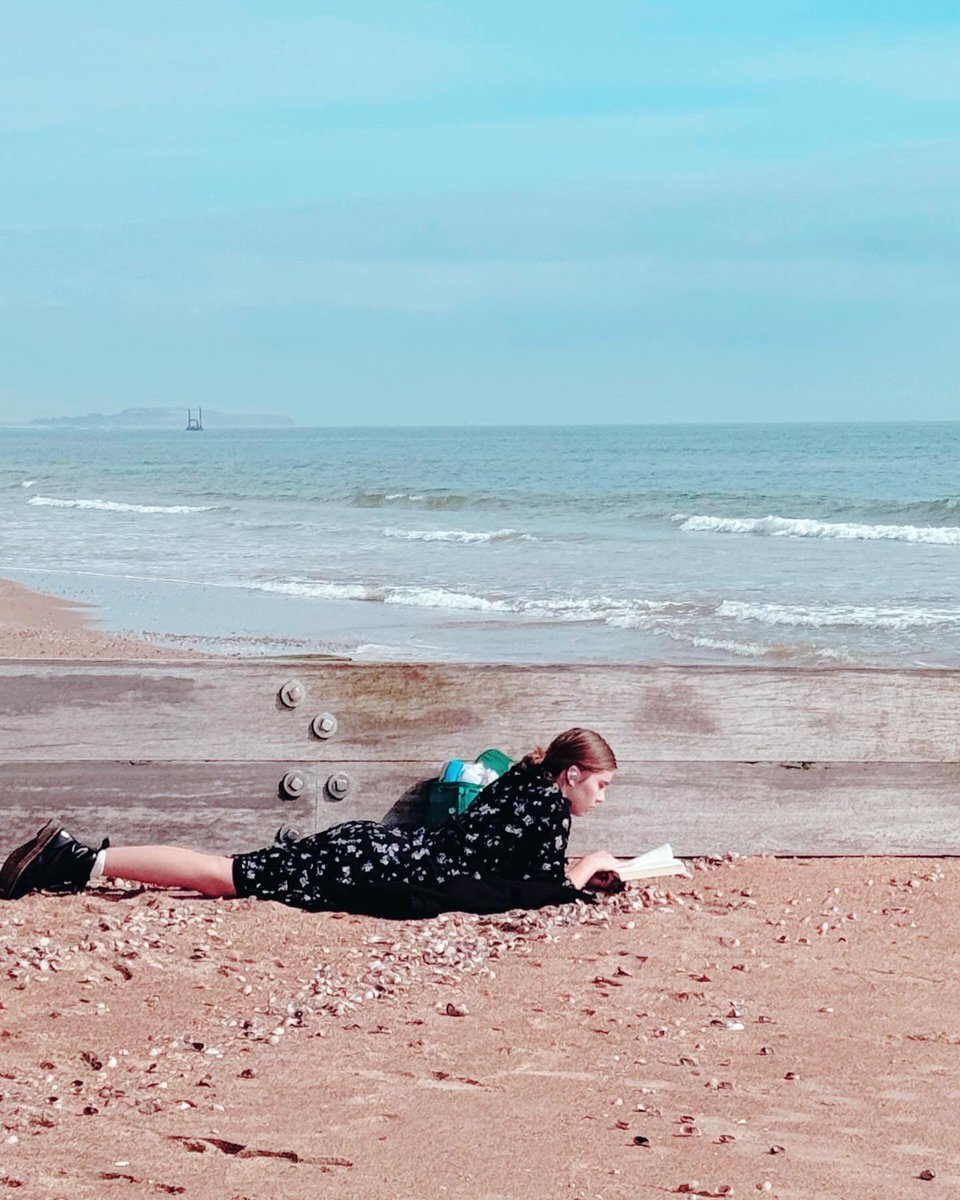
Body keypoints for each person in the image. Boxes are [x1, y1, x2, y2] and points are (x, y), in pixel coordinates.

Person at [0, 728, 621, 913]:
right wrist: (593, 866)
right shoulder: (546, 808)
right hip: (383, 865)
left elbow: (503, 861)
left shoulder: (522, 783)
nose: (601, 798)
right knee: (227, 878)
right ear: (571, 775)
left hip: (378, 846)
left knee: (227, 871)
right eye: (600, 785)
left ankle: (83, 858)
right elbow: (543, 889)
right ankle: (76, 859)